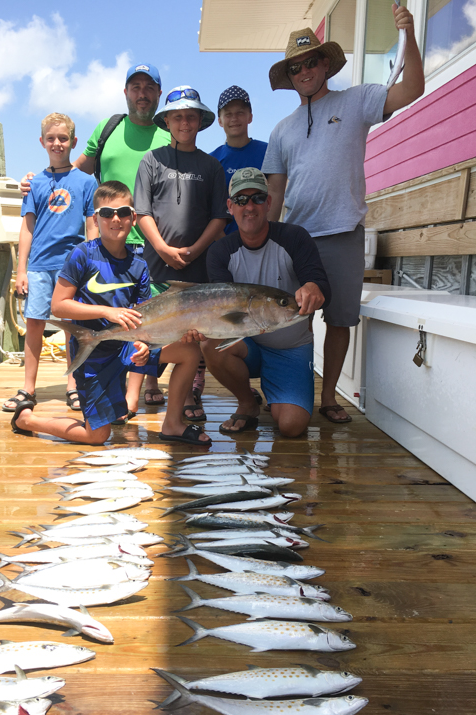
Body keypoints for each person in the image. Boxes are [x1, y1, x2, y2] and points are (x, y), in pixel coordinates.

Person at [262, 6, 424, 423]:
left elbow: (411, 92)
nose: (304, 70)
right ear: (290, 75)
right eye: (295, 66)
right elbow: (274, 193)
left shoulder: (357, 101)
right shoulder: (281, 130)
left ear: (326, 63)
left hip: (343, 233)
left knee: (339, 320)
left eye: (311, 61)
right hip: (295, 239)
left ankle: (329, 397)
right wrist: (267, 240)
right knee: (288, 319)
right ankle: (283, 392)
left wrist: (410, 38)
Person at [10, 180, 211, 447]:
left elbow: (143, 317)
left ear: (134, 218)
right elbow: (58, 306)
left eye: (123, 212)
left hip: (126, 348)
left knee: (189, 351)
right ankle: (27, 420)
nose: (115, 219)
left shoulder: (139, 265)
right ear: (96, 218)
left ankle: (172, 423)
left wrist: (141, 344)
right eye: (107, 213)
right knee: (96, 436)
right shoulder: (82, 255)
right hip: (94, 353)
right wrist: (108, 311)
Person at [20, 64, 171, 409]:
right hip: (108, 241)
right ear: (126, 92)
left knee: (147, 314)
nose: (142, 93)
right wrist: (35, 179)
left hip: (151, 241)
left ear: (158, 94)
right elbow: (75, 170)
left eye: (150, 87)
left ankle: (148, 384)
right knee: (109, 315)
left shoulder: (169, 131)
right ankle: (100, 380)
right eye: (136, 86)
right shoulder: (110, 127)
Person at [200, 167, 330, 438]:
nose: (249, 207)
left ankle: (278, 391)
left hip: (291, 349)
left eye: (258, 198)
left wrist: (314, 288)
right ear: (230, 206)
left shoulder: (295, 237)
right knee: (210, 344)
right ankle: (247, 403)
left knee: (292, 426)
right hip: (248, 346)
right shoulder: (220, 251)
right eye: (240, 200)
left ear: (269, 203)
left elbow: (320, 284)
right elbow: (219, 312)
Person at [133, 85, 230, 421]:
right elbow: (142, 211)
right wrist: (161, 248)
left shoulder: (211, 166)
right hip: (156, 266)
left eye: (191, 116)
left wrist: (194, 250)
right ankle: (150, 385)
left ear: (200, 121)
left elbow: (220, 216)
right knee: (151, 329)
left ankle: (188, 395)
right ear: (167, 121)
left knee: (190, 338)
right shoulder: (151, 161)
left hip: (197, 267)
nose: (185, 123)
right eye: (178, 117)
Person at [2, 112, 97, 414]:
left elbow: (92, 224)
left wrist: (92, 262)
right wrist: (21, 270)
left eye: (63, 138)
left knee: (71, 327)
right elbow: (27, 227)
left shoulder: (85, 182)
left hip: (72, 268)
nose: (57, 143)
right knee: (34, 325)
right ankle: (28, 389)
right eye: (51, 138)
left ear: (74, 142)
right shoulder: (35, 183)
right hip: (40, 266)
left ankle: (73, 386)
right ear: (42, 142)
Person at [209, 86, 268, 235]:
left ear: (250, 117)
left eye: (240, 113)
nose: (234, 119)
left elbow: (276, 197)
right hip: (224, 245)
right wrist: (225, 247)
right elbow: (208, 211)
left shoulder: (269, 152)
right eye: (228, 114)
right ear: (220, 121)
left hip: (264, 243)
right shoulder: (211, 161)